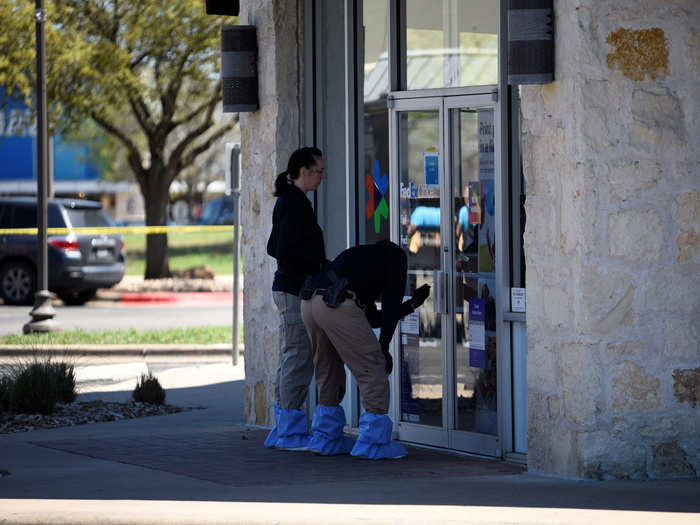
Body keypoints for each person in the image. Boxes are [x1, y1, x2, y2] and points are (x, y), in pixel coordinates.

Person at [300, 241, 430, 459]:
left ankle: (325, 438)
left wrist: (411, 305)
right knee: (373, 368)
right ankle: (373, 443)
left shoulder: (363, 261)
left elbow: (369, 318)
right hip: (338, 303)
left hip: (311, 303)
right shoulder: (397, 258)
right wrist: (384, 348)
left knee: (328, 370)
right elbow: (388, 307)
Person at [264, 146, 326, 450]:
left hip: (291, 288)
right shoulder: (295, 204)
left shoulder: (292, 201)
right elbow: (281, 248)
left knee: (291, 356)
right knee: (299, 358)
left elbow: (273, 247)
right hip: (292, 290)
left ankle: (284, 427)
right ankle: (290, 432)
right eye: (319, 171)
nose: (322, 177)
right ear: (303, 171)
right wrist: (313, 266)